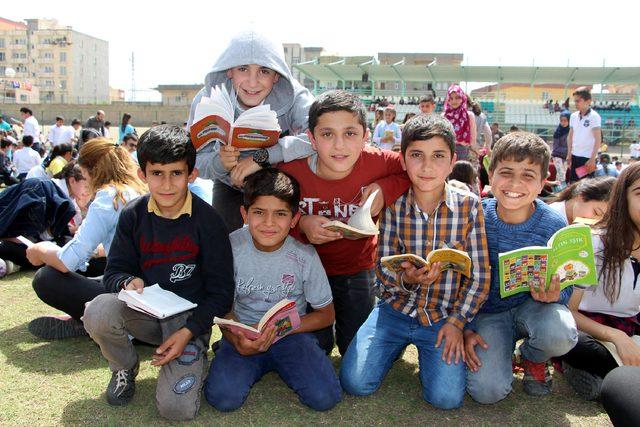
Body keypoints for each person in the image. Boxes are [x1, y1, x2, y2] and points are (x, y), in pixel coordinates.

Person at [82, 125, 235, 420]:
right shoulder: (132, 215)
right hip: (146, 315)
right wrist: (127, 281)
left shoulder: (209, 221)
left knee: (175, 410)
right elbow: (113, 272)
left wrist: (189, 331)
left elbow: (221, 294)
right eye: (157, 173)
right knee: (98, 310)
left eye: (176, 173)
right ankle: (124, 366)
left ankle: (193, 357)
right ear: (143, 174)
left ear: (192, 175)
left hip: (190, 321)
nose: (166, 184)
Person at [340, 113, 490, 410]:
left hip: (442, 317)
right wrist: (407, 280)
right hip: (394, 311)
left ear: (451, 162)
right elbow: (381, 266)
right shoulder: (394, 204)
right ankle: (390, 347)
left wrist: (457, 323)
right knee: (355, 383)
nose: (427, 166)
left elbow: (480, 275)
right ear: (404, 159)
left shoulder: (469, 206)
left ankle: (423, 349)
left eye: (438, 156)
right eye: (417, 155)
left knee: (446, 399)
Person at [278, 90, 410, 355]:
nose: (339, 145)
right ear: (312, 140)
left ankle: (380, 314)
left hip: (356, 269)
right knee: (317, 346)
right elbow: (269, 207)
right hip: (304, 271)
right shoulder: (291, 170)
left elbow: (416, 170)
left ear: (365, 136)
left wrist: (384, 188)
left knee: (354, 349)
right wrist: (301, 223)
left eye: (350, 133)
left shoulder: (379, 162)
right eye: (327, 134)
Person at [204, 168, 341, 412]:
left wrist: (281, 329)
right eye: (259, 213)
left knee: (325, 398)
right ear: (245, 214)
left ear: (294, 219)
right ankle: (230, 352)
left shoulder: (304, 256)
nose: (269, 223)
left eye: (280, 214)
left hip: (292, 336)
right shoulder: (229, 247)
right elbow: (222, 306)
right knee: (223, 398)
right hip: (244, 336)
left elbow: (326, 314)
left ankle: (289, 359)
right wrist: (236, 339)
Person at [464, 132, 578, 404]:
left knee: (561, 332)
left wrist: (556, 295)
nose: (515, 183)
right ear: (490, 176)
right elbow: (458, 279)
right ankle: (502, 353)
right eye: (506, 172)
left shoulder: (553, 224)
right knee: (486, 392)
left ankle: (533, 357)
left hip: (534, 308)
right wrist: (464, 326)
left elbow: (566, 283)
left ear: (542, 183)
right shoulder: (474, 217)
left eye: (528, 175)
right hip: (488, 314)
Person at [187, 29, 315, 232]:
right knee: (224, 247)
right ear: (229, 70)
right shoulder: (207, 99)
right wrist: (219, 163)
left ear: (276, 75)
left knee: (284, 245)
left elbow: (317, 136)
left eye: (264, 71)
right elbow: (192, 158)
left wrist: (260, 158)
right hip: (229, 185)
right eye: (243, 69)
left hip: (281, 181)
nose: (253, 82)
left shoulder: (296, 95)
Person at [26, 137, 146, 340]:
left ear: (92, 171)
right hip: (150, 293)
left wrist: (40, 250)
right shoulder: (137, 191)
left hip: (134, 300)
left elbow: (68, 261)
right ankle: (91, 319)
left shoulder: (109, 197)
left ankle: (95, 322)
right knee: (96, 267)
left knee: (46, 278)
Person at [562, 163, 640, 401]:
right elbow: (568, 311)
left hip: (631, 328)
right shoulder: (592, 244)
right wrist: (616, 337)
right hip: (589, 330)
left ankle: (610, 380)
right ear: (622, 198)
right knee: (568, 340)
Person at [548, 176, 616, 225]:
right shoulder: (550, 218)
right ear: (582, 195)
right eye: (596, 212)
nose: (595, 222)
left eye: (603, 221)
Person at [567, 87, 602, 183]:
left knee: (585, 187)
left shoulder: (594, 116)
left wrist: (592, 159)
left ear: (588, 101)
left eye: (578, 101)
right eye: (575, 101)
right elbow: (570, 136)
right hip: (575, 156)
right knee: (573, 184)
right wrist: (569, 154)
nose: (576, 103)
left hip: (587, 158)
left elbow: (598, 139)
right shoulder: (573, 116)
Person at [443, 85, 477, 164]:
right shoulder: (444, 116)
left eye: (457, 97)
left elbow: (473, 137)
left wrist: (474, 149)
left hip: (463, 151)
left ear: (463, 98)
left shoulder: (468, 115)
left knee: (461, 174)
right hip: (447, 150)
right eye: (451, 98)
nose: (454, 101)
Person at [551, 111, 571, 188]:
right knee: (561, 174)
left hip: (566, 157)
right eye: (561, 120)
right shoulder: (557, 132)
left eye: (565, 120)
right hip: (557, 156)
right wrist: (569, 149)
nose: (563, 122)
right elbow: (556, 147)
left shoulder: (571, 131)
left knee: (562, 174)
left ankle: (556, 191)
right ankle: (561, 191)